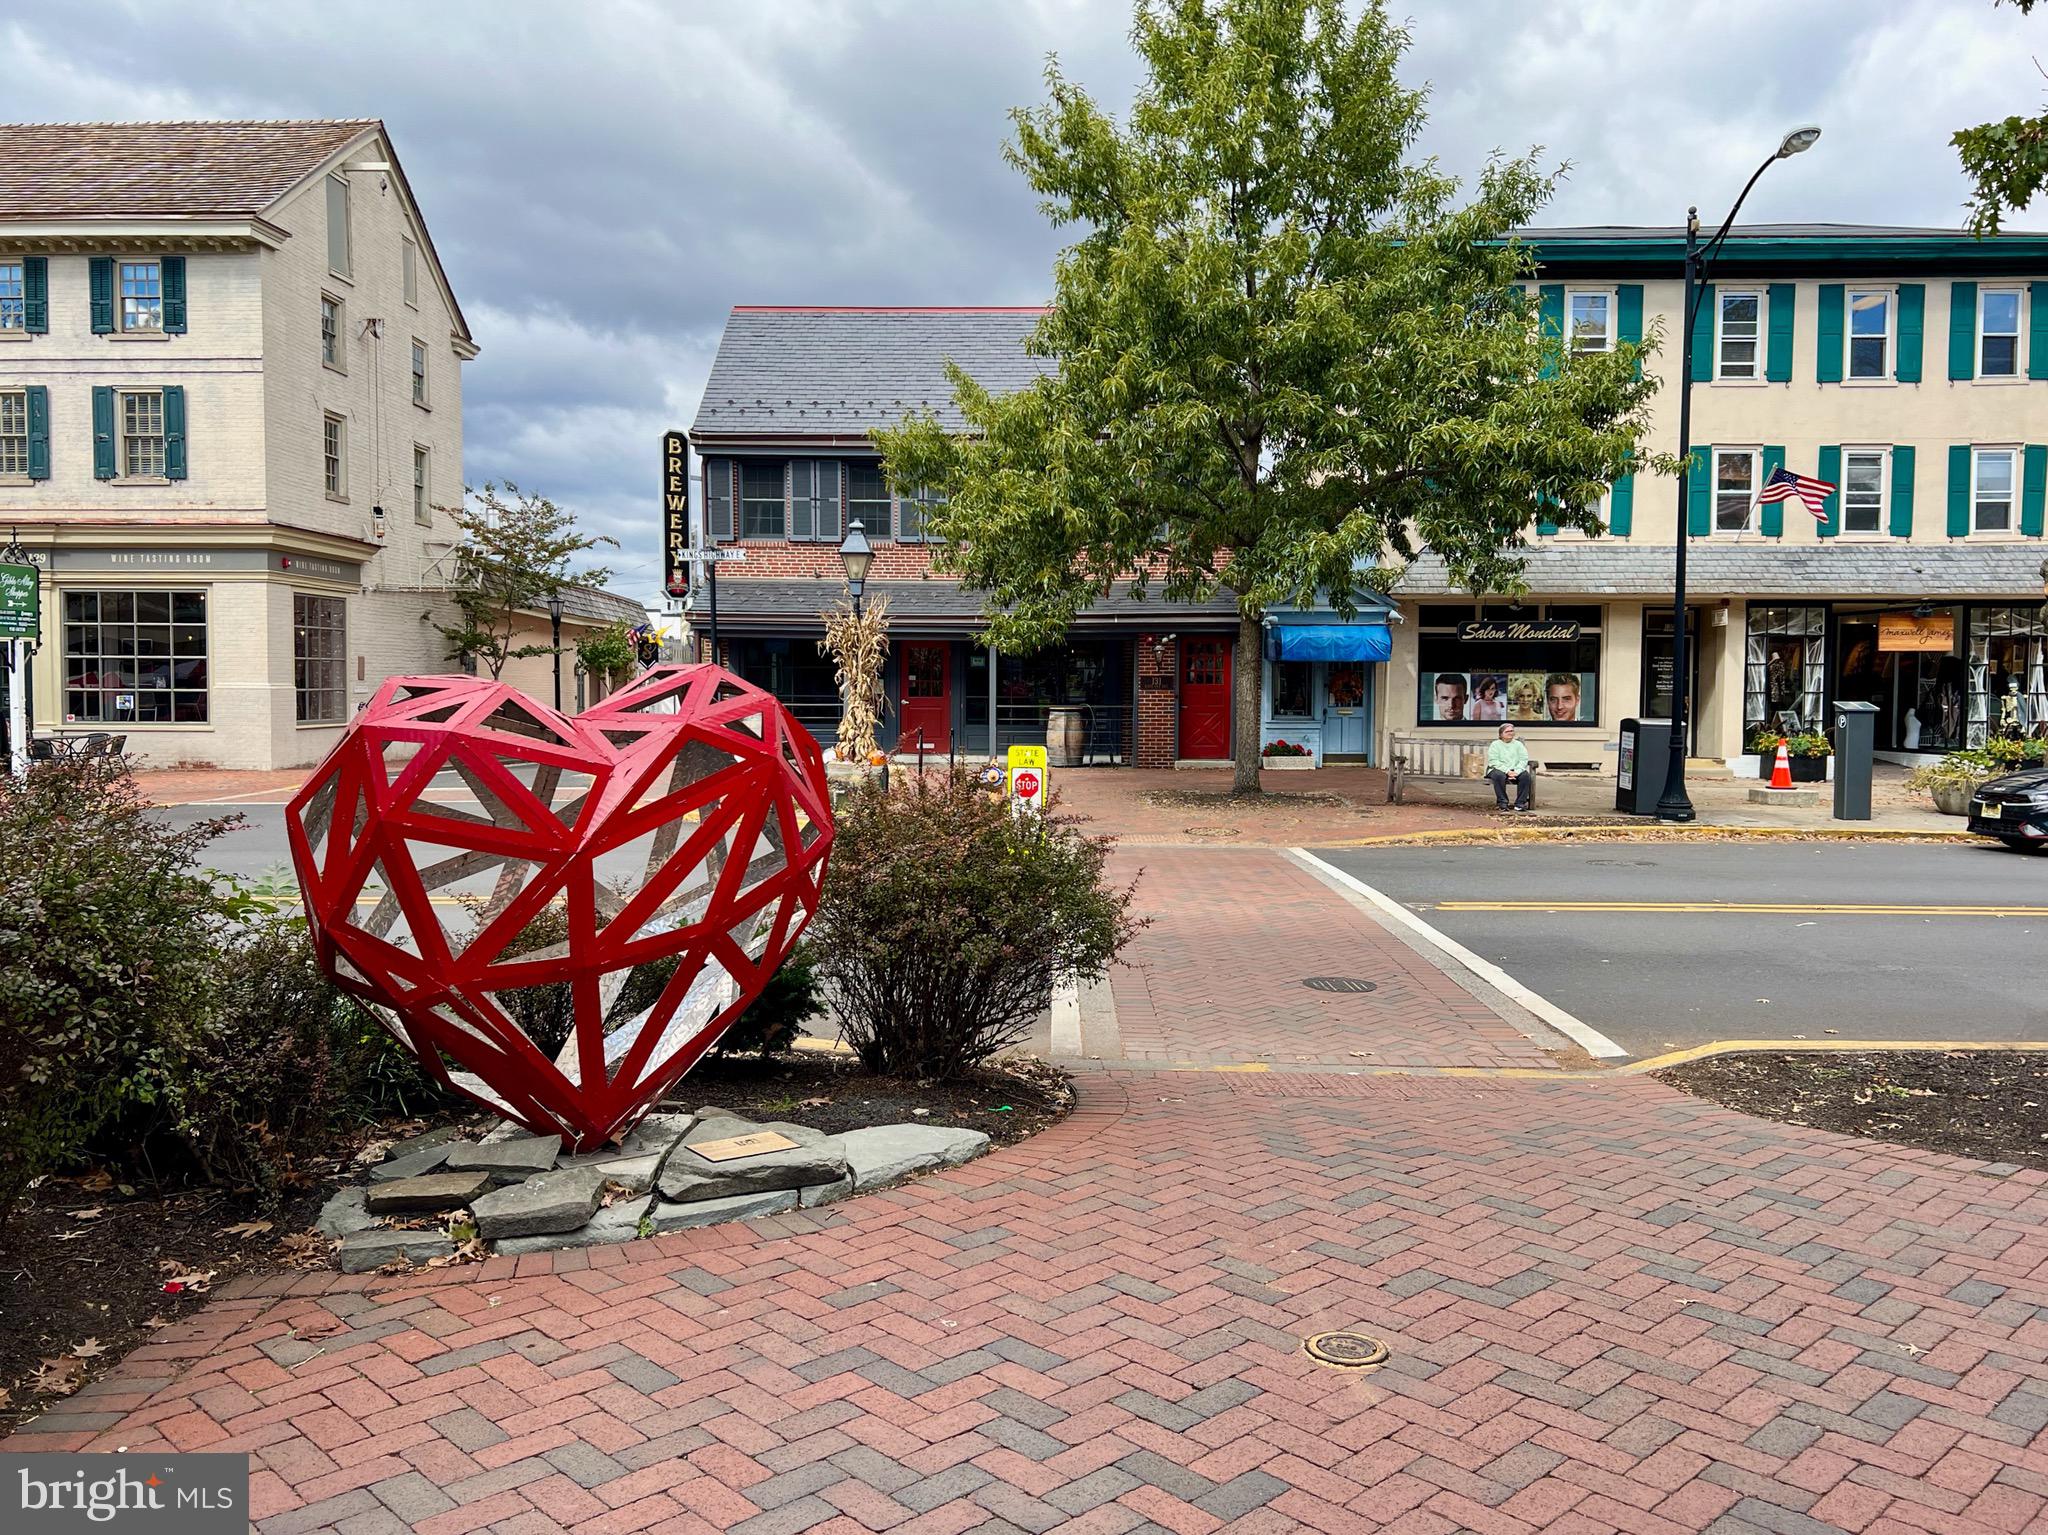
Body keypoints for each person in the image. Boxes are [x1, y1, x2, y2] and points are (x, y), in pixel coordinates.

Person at [1485, 722, 1534, 812]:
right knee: (1499, 776)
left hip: (1515, 769)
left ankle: (1520, 804)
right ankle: (1502, 803)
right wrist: (1507, 771)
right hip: (1498, 769)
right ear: (1501, 734)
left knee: (1525, 776)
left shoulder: (1518, 745)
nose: (1510, 733)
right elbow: (1494, 761)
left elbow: (1523, 759)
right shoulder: (1495, 744)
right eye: (1507, 731)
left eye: (1512, 731)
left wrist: (1517, 771)